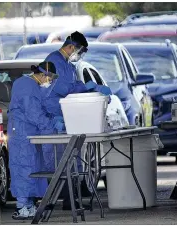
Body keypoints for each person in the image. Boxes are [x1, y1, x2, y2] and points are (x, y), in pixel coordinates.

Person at [42, 31, 112, 210]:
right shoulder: (54, 61)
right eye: (79, 51)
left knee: (72, 160)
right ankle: (59, 200)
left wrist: (92, 90)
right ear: (71, 46)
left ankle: (71, 199)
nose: (79, 55)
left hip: (67, 117)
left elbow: (74, 88)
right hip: (54, 117)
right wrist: (88, 87)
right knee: (60, 161)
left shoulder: (68, 65)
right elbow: (63, 87)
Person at [7, 61, 64, 220]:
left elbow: (41, 108)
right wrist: (51, 124)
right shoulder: (26, 85)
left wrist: (53, 118)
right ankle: (22, 206)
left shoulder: (33, 86)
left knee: (33, 167)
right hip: (22, 133)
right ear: (43, 74)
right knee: (23, 167)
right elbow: (33, 113)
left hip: (30, 133)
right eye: (50, 78)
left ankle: (29, 205)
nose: (50, 82)